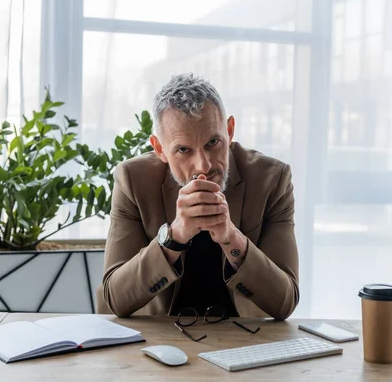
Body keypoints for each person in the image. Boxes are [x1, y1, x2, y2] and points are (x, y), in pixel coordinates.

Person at [96, 73, 299, 320]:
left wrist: (231, 237)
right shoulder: (133, 180)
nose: (203, 165)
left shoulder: (272, 179)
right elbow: (115, 299)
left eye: (213, 142)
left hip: (245, 338)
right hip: (161, 339)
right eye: (183, 150)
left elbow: (285, 302)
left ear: (230, 130)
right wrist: (175, 236)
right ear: (160, 149)